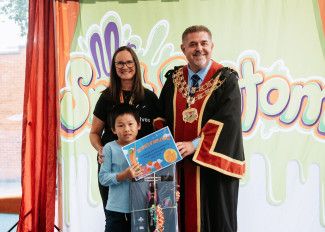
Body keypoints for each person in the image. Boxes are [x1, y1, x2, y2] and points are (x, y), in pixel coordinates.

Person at [157, 25, 246, 232]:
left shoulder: (225, 80)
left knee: (217, 221)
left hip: (213, 170)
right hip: (179, 167)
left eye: (204, 43)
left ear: (212, 46)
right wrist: (167, 146)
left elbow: (228, 122)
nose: (199, 49)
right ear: (183, 48)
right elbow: (160, 117)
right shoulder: (173, 80)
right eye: (193, 44)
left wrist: (195, 145)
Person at [89, 46, 160, 212]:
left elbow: (159, 135)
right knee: (114, 216)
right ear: (114, 67)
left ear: (135, 64)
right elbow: (94, 133)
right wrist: (101, 150)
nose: (124, 66)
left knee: (144, 217)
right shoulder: (106, 97)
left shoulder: (149, 98)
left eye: (129, 62)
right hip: (113, 165)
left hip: (143, 166)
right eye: (119, 63)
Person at [98, 103, 143, 232]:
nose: (127, 129)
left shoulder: (145, 147)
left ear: (138, 125)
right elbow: (103, 178)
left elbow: (155, 176)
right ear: (113, 129)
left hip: (142, 208)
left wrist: (170, 192)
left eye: (130, 124)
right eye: (120, 125)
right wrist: (124, 175)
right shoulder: (109, 148)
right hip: (116, 211)